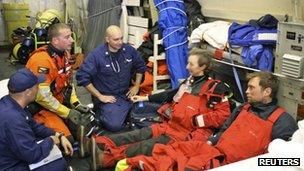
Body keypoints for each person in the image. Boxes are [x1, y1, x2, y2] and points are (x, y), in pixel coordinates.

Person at [80, 48, 233, 170]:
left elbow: (223, 115)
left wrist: (195, 120)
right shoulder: (189, 81)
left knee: (145, 146)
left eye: (191, 64)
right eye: (187, 63)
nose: (187, 67)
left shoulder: (215, 89)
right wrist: (144, 98)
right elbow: (169, 94)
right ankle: (95, 143)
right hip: (170, 125)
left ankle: (105, 159)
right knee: (137, 134)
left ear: (203, 67)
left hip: (185, 134)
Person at [119, 71, 299, 171]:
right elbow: (223, 131)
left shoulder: (283, 122)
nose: (247, 92)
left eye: (252, 88)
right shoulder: (242, 108)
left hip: (229, 164)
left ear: (267, 92)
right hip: (211, 150)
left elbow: (286, 161)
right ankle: (113, 158)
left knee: (175, 165)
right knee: (167, 152)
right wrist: (210, 141)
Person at [76, 25, 147, 132]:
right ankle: (99, 113)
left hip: (125, 94)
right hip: (107, 97)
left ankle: (124, 114)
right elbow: (82, 77)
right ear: (107, 39)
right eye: (116, 39)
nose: (120, 42)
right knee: (115, 125)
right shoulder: (96, 55)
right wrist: (100, 96)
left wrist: (136, 86)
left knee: (146, 111)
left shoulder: (128, 50)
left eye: (121, 38)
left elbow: (140, 66)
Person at [26, 23, 89, 142]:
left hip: (57, 103)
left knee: (86, 124)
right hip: (41, 109)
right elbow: (42, 97)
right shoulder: (42, 60)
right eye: (67, 37)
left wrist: (76, 104)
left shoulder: (64, 54)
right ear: (55, 40)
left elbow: (68, 84)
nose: (71, 40)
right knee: (67, 140)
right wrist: (67, 112)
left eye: (71, 36)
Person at [0, 68, 73, 170]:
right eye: (36, 86)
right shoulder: (14, 119)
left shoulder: (11, 103)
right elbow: (32, 155)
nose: (38, 88)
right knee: (59, 165)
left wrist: (58, 135)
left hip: (12, 151)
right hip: (9, 165)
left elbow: (33, 125)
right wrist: (51, 141)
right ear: (28, 92)